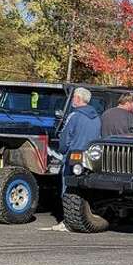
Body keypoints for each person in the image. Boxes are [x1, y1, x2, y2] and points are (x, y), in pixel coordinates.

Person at [51, 87, 101, 231]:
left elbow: (65, 138)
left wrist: (61, 150)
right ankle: (82, 218)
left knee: (67, 189)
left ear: (79, 99)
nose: (72, 99)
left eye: (73, 97)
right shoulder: (97, 117)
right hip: (90, 159)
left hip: (73, 157)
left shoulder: (74, 116)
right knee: (83, 191)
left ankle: (67, 221)